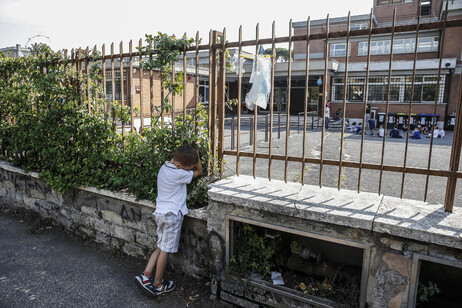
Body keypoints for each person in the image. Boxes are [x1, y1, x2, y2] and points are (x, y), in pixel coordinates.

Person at [134, 145, 203, 297]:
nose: (188, 170)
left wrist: (190, 157)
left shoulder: (164, 168)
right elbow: (199, 172)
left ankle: (146, 274)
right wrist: (197, 156)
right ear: (179, 166)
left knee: (160, 246)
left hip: (160, 213)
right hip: (172, 216)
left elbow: (187, 166)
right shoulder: (178, 174)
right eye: (187, 168)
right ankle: (158, 283)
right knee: (165, 250)